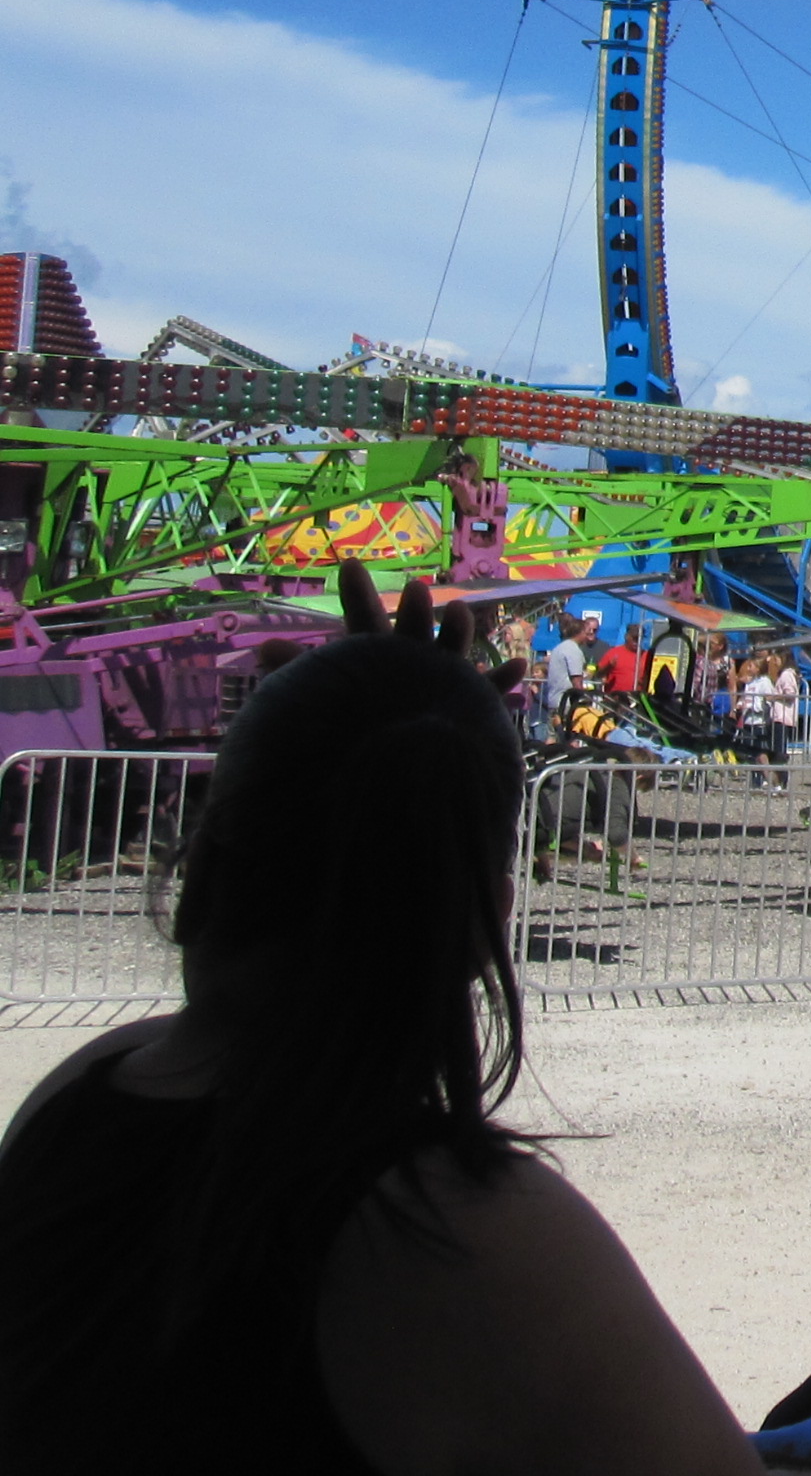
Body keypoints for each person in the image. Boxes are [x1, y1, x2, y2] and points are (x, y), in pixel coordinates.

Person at [0, 564, 761, 1474]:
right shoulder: (466, 1238)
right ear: (482, 924)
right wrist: (416, 729)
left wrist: (374, 717)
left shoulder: (71, 1105)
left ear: (199, 870)